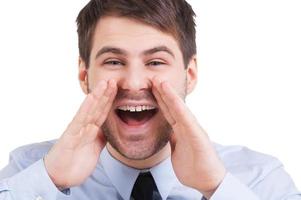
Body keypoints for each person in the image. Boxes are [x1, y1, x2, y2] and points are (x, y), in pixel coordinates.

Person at [0, 0, 300, 199]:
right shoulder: (28, 173)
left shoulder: (260, 180)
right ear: (83, 74)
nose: (133, 83)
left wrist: (217, 187)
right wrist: (49, 179)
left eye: (156, 62)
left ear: (190, 74)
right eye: (114, 62)